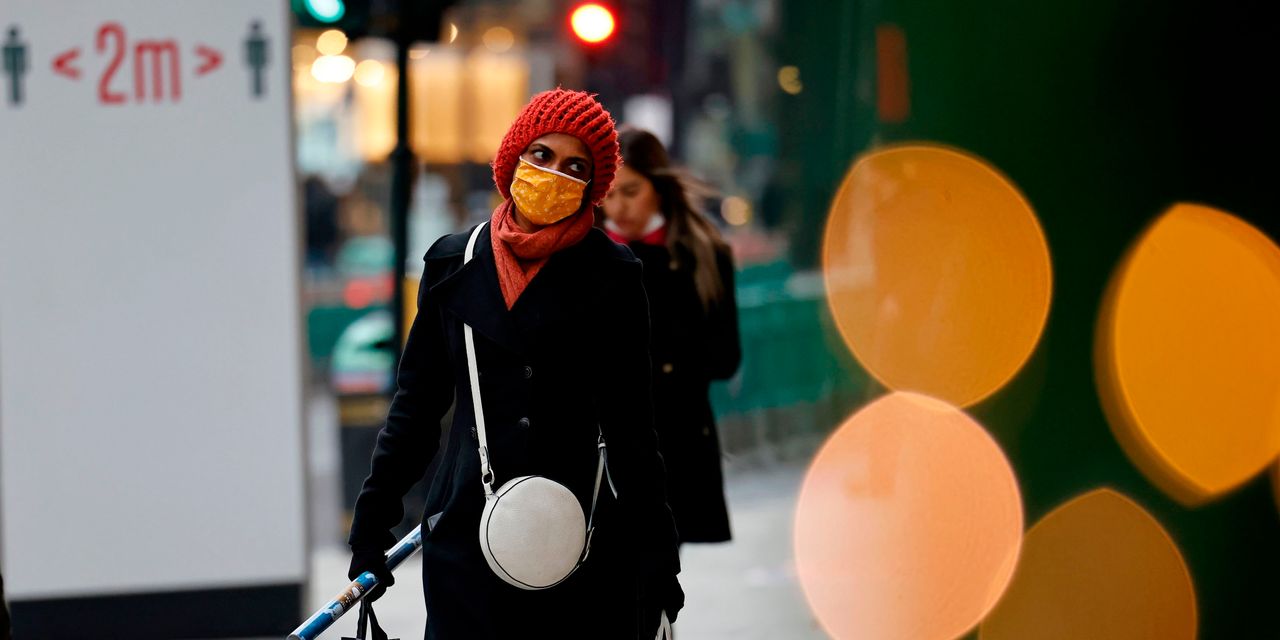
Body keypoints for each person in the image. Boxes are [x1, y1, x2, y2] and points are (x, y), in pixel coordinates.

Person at [346, 89, 683, 639]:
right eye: (543, 155)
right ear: (514, 158)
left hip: (582, 538)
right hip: (468, 544)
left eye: (577, 167)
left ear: (593, 188)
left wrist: (658, 561)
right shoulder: (454, 262)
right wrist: (372, 524)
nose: (555, 175)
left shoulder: (613, 274)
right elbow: (416, 406)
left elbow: (632, 431)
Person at [601, 128, 742, 546]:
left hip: (674, 440)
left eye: (630, 191)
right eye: (606, 194)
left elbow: (724, 357)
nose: (617, 207)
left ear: (658, 188)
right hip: (602, 445)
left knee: (657, 584)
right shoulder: (586, 256)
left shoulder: (703, 253)